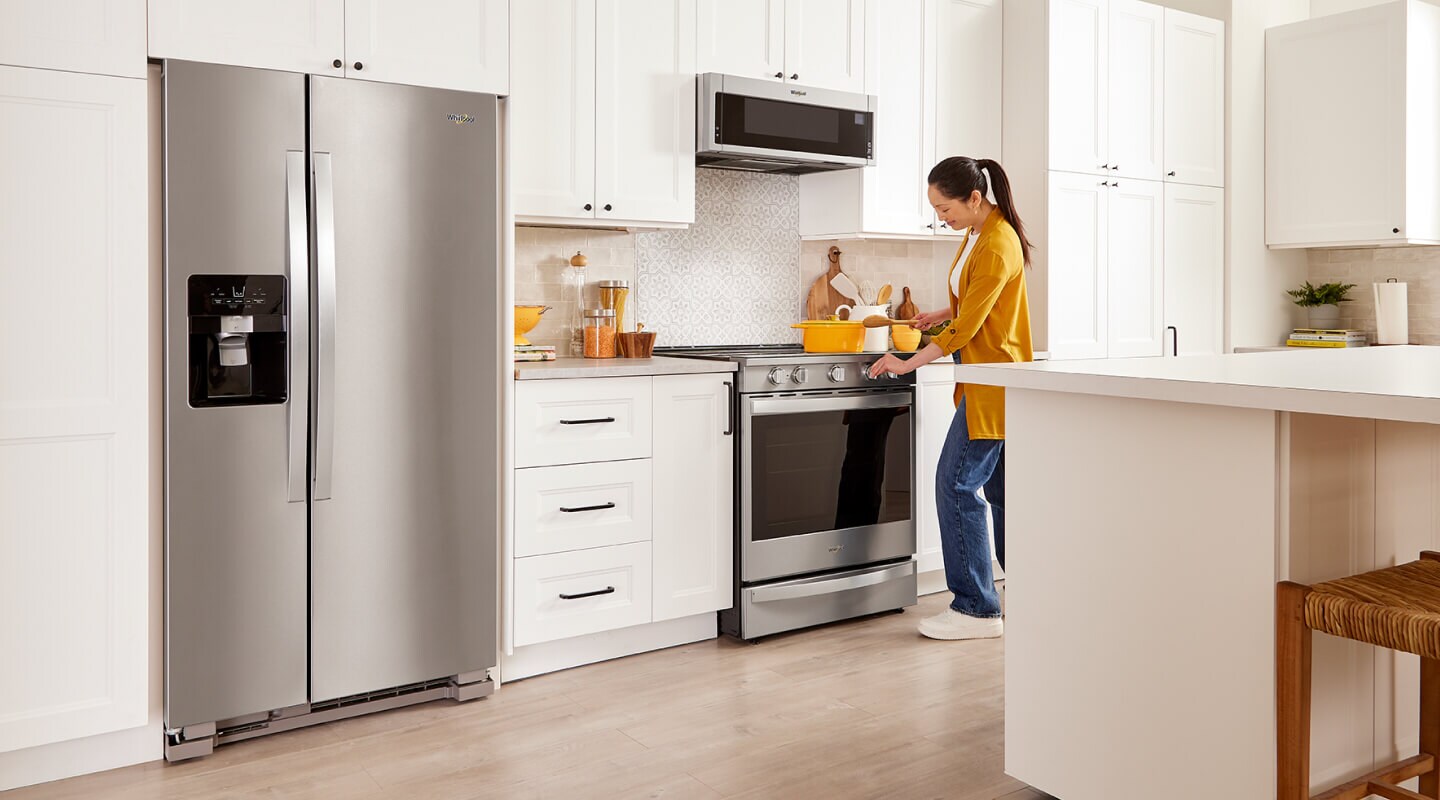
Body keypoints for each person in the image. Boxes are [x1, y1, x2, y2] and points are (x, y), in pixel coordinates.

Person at [868, 156, 1034, 641]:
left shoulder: (999, 242)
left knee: (956, 484)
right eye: (937, 209)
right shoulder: (980, 233)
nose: (942, 216)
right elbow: (976, 299)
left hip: (994, 382)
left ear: (974, 198)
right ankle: (1027, 593)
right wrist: (938, 315)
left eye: (945, 208)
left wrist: (909, 361)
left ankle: (976, 609)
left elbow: (972, 324)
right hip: (987, 378)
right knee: (1001, 493)